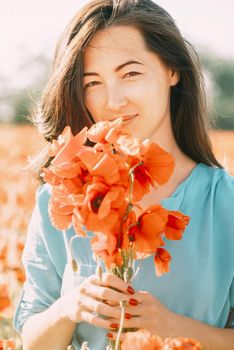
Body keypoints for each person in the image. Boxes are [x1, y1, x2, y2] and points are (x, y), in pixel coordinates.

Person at [14, 0, 234, 349]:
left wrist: (170, 326)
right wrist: (69, 309)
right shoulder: (62, 198)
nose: (113, 100)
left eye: (130, 73)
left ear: (173, 70)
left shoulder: (226, 203)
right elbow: (31, 339)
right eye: (93, 82)